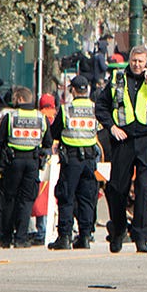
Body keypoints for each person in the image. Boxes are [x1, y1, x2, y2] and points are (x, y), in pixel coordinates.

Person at [95, 46, 147, 252]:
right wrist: (111, 127)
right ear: (129, 61)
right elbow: (101, 106)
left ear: (146, 62)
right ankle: (119, 230)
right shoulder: (117, 79)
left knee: (145, 188)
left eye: (140, 61)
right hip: (123, 140)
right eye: (134, 61)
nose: (137, 65)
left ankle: (141, 236)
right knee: (117, 189)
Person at [0, 86, 52, 250]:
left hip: (13, 162)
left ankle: (7, 237)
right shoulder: (41, 118)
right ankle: (21, 238)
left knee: (10, 200)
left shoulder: (10, 117)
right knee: (26, 201)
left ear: (21, 99)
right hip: (32, 163)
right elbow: (48, 143)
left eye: (16, 99)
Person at [49, 76, 101, 250]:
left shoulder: (67, 110)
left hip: (71, 159)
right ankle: (85, 236)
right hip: (89, 159)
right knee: (86, 198)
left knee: (66, 196)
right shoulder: (95, 108)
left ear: (73, 90)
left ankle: (65, 237)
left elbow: (54, 133)